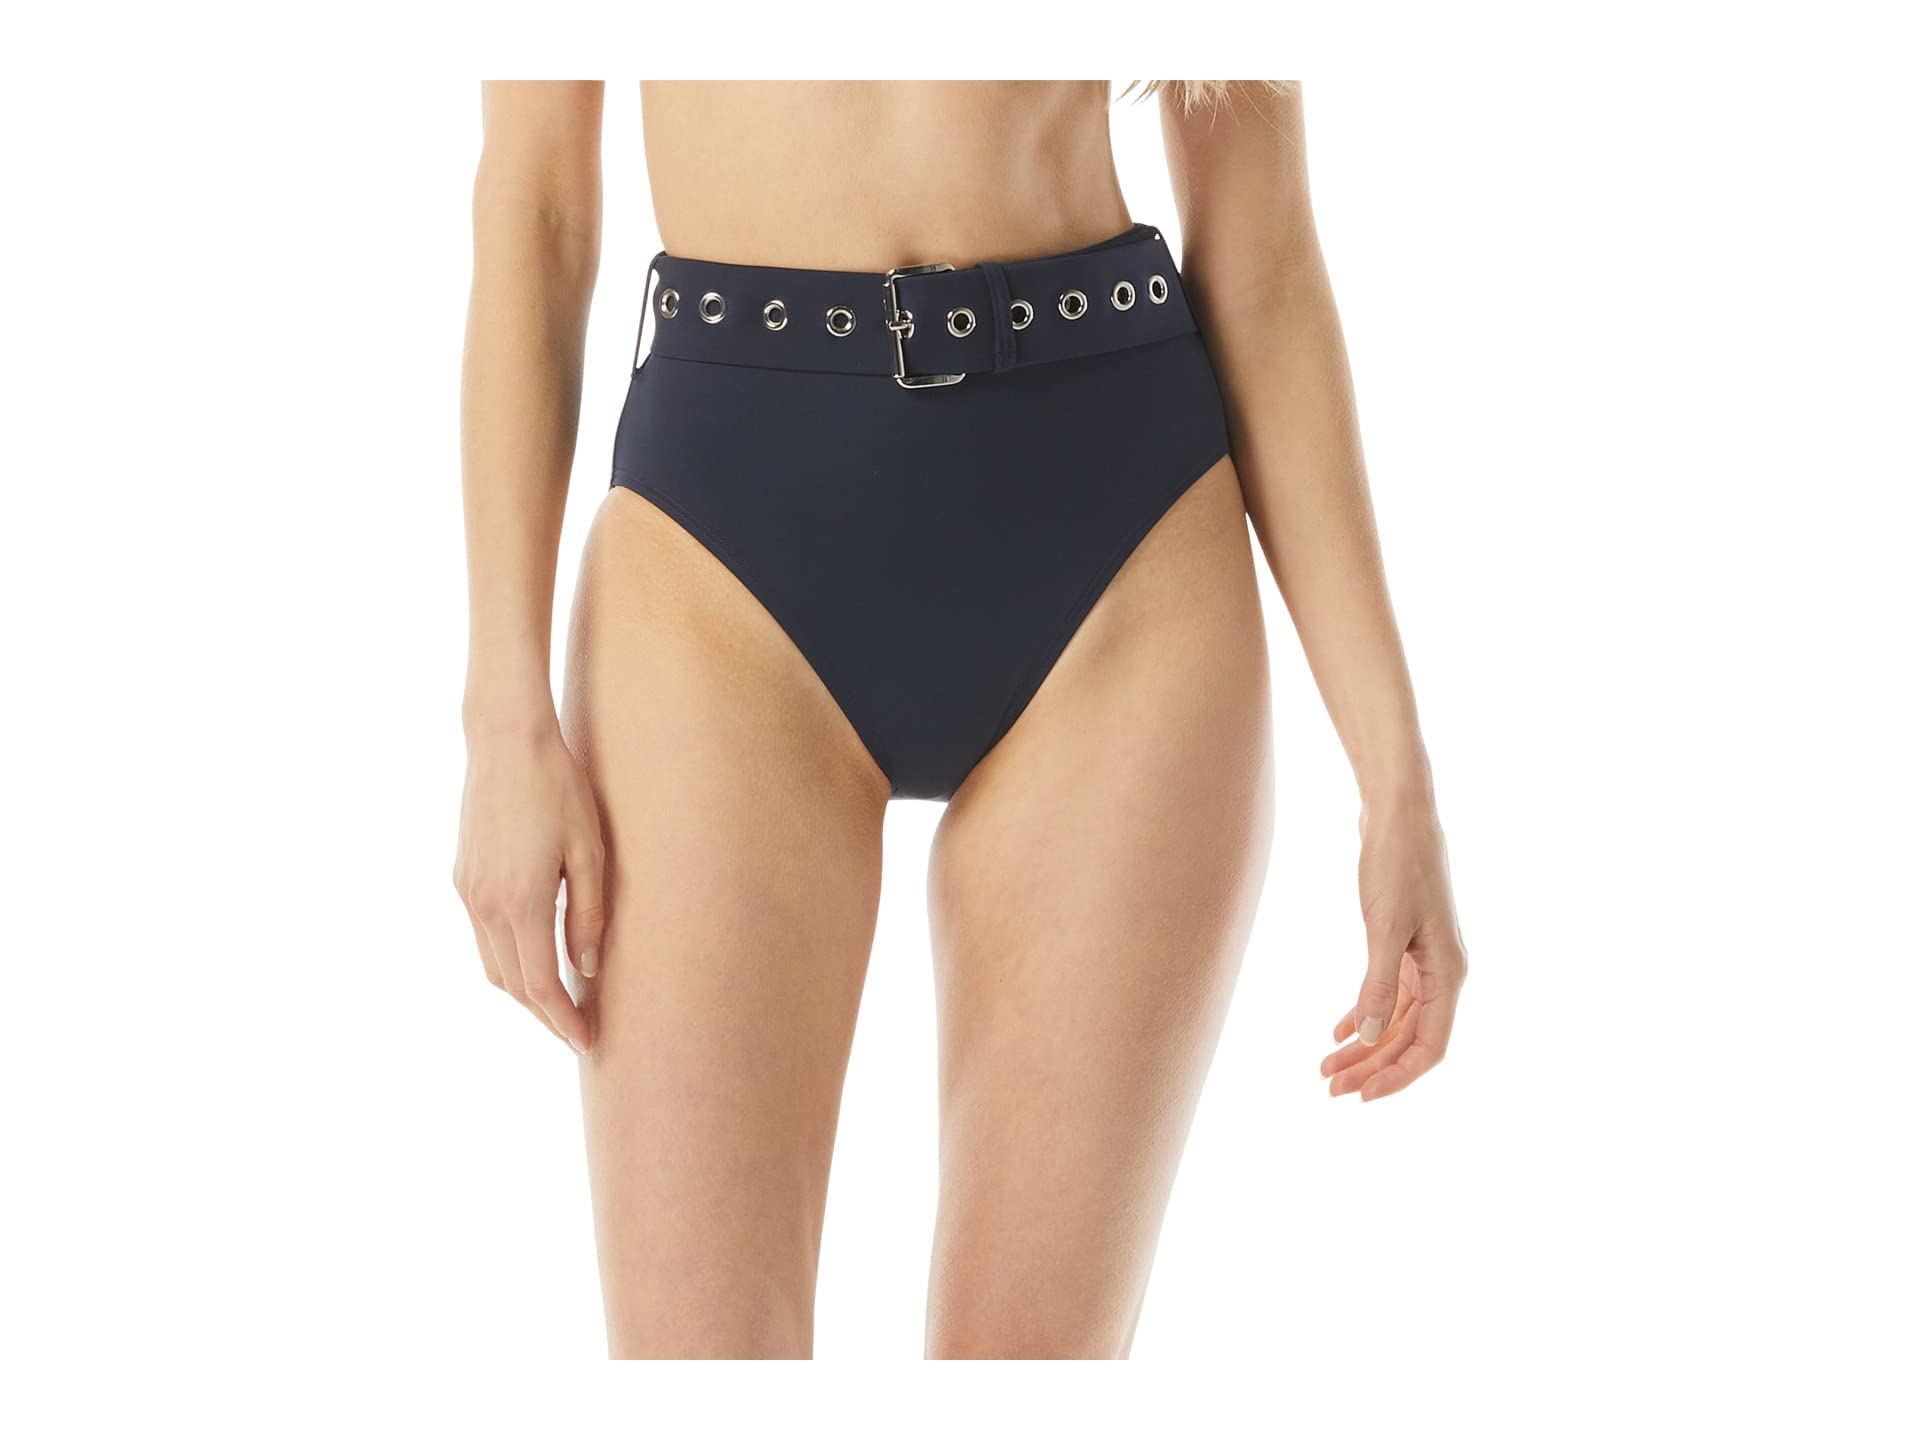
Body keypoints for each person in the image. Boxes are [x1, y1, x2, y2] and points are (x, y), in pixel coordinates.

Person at [454, 80, 1468, 1359]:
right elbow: (536, 208)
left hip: (1122, 554)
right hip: (714, 564)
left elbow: (1262, 261)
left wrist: (1395, 780)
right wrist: (503, 718)